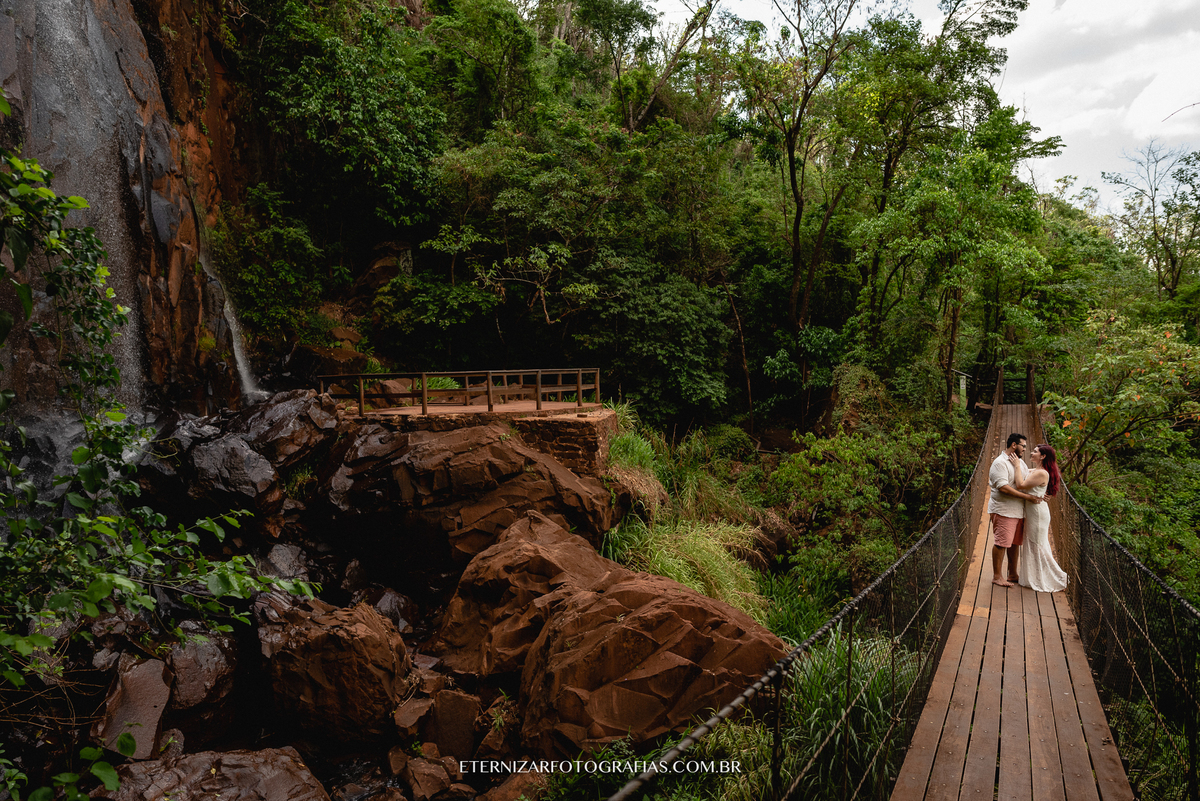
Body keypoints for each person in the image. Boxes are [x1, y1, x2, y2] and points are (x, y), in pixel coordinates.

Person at [1007, 444, 1069, 593]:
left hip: (1038, 514)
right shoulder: (1036, 471)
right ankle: (1035, 576)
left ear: (1043, 456)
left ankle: (1058, 577)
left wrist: (1017, 465)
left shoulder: (1041, 473)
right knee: (1034, 544)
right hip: (1033, 512)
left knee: (1038, 545)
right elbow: (1024, 474)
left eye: (1035, 451)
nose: (1031, 453)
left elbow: (1020, 484)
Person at [988, 433, 1042, 588]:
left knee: (1014, 543)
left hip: (1018, 510)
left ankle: (1012, 574)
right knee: (1002, 542)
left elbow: (1026, 477)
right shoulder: (999, 463)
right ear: (1014, 445)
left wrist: (1043, 483)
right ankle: (997, 576)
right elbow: (1003, 488)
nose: (1025, 449)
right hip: (1004, 510)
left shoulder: (1019, 462)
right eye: (1023, 446)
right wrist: (1027, 497)